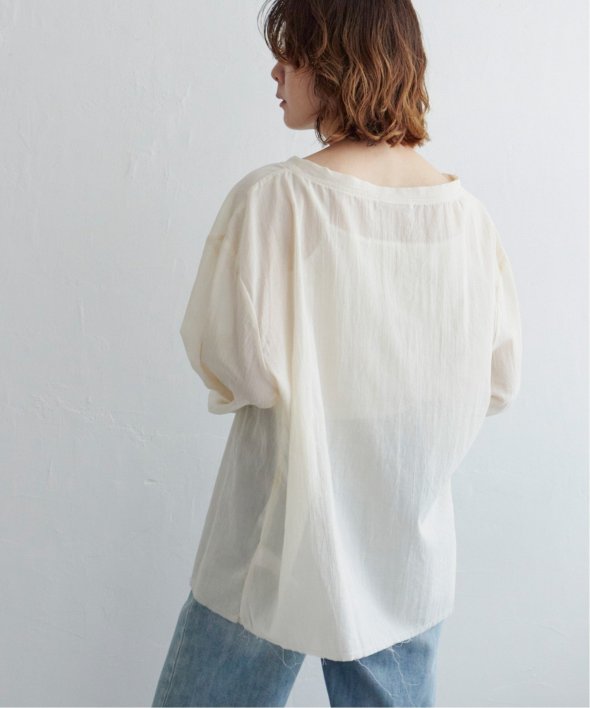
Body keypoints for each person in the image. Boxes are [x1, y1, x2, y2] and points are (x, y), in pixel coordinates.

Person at [152, 0, 522, 706]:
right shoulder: (468, 220)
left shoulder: (275, 199)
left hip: (277, 531)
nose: (276, 71)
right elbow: (496, 383)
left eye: (290, 54)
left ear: (334, 63)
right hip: (402, 545)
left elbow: (235, 366)